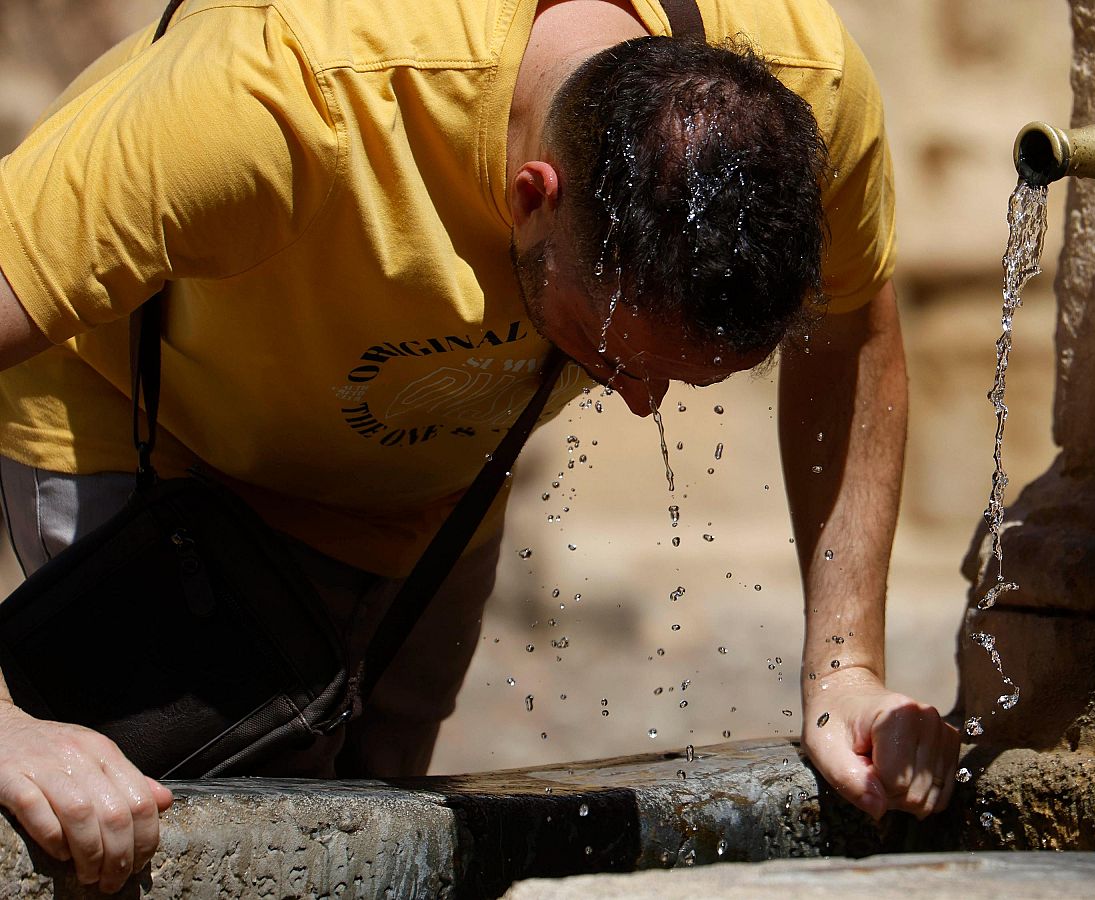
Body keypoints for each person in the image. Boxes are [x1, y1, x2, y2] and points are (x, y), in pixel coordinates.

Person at [0, 0, 960, 891]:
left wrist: (846, 673)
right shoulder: (285, 95)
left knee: (371, 843)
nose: (636, 403)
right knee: (130, 838)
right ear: (532, 193)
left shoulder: (807, 95)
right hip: (156, 443)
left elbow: (853, 328)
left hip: (430, 480)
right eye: (612, 351)